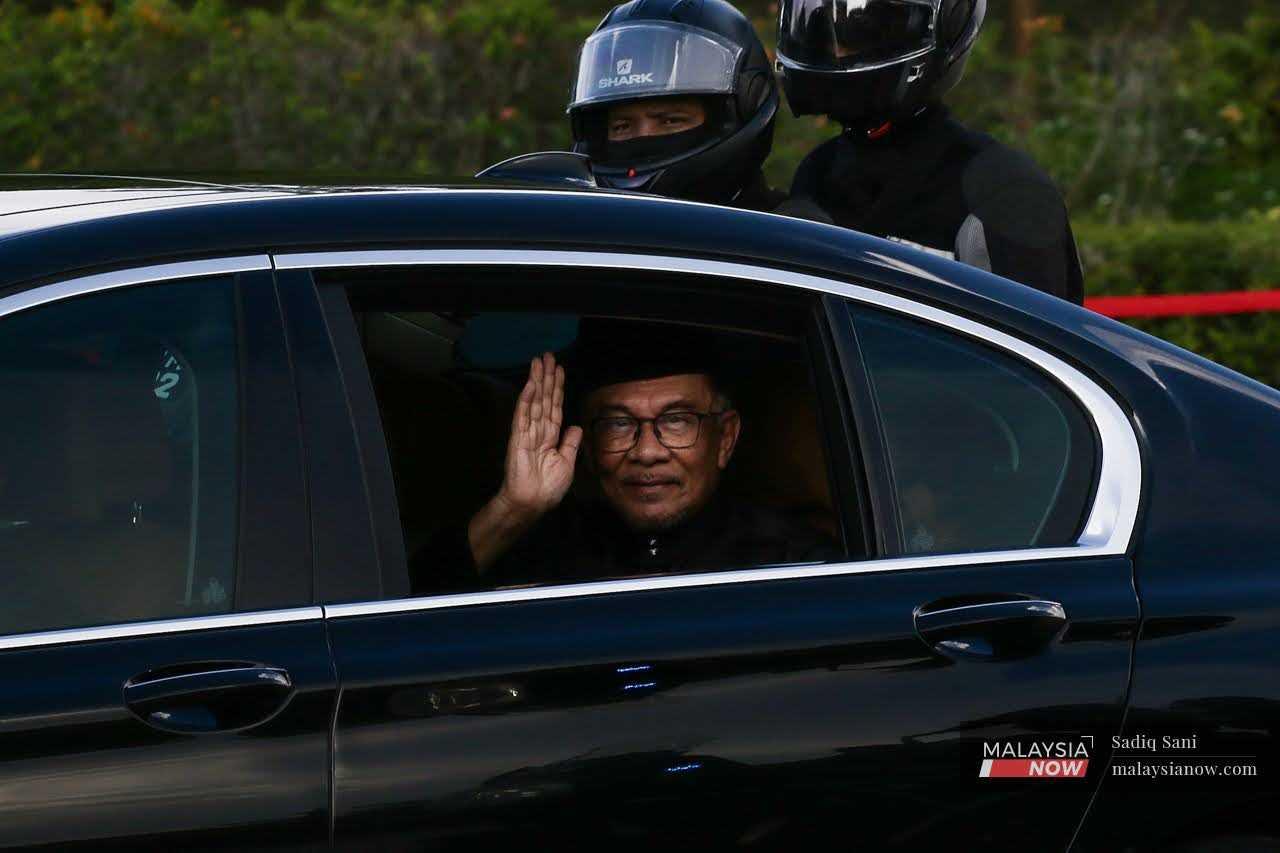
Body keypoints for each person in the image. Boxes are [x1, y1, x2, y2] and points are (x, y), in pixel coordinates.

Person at [408, 325, 834, 595]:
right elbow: (402, 620)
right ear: (589, 448)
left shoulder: (791, 565)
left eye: (677, 421)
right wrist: (513, 508)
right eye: (617, 424)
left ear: (725, 439)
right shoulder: (543, 547)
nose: (647, 452)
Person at [775, 0, 1085, 303]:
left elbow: (1035, 347)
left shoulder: (1005, 193)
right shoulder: (818, 174)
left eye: (864, 30)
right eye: (826, 31)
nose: (838, 51)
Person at [564, 0, 785, 211]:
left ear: (740, 109)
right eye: (622, 126)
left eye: (670, 121)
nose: (644, 137)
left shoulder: (794, 240)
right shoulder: (577, 234)